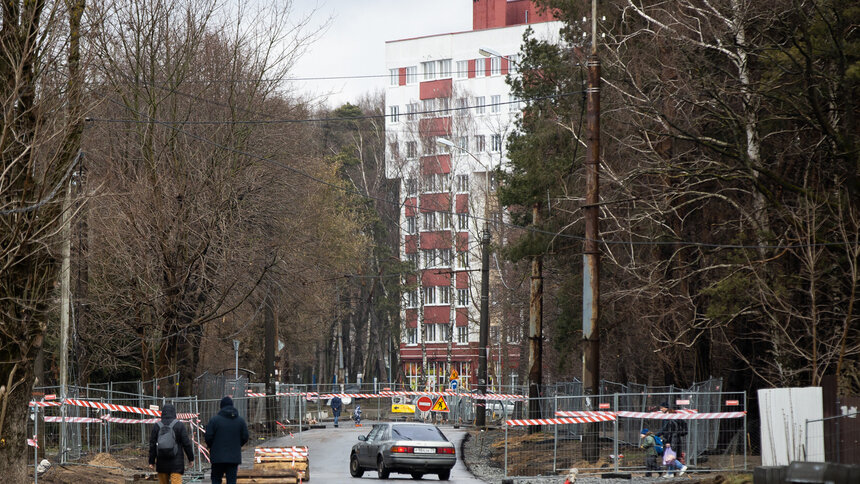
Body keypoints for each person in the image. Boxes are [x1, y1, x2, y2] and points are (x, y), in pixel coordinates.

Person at [205, 396, 250, 484]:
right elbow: (245, 436)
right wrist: (237, 444)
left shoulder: (214, 421)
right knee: (232, 480)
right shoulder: (240, 421)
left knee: (216, 479)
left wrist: (213, 446)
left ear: (221, 407)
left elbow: (208, 437)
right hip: (233, 457)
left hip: (217, 457)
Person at [148, 404, 194, 484]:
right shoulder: (179, 425)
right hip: (176, 463)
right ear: (174, 413)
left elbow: (152, 445)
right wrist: (191, 458)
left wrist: (151, 461)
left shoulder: (157, 426)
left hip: (161, 462)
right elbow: (186, 443)